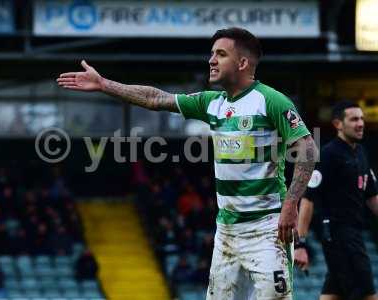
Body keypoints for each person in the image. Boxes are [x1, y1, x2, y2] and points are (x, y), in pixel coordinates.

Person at [57, 27, 317, 300]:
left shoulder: (271, 101)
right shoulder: (212, 103)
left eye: (221, 54)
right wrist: (104, 85)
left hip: (266, 231)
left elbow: (307, 148)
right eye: (212, 54)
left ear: (242, 63)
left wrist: (290, 204)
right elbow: (156, 98)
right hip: (227, 232)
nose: (211, 60)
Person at [294, 101, 378, 300]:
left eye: (362, 119)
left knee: (332, 293)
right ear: (338, 124)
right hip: (338, 235)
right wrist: (300, 243)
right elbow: (308, 199)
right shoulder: (329, 154)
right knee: (368, 294)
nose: (360, 124)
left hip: (353, 234)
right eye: (354, 119)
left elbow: (372, 196)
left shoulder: (361, 153)